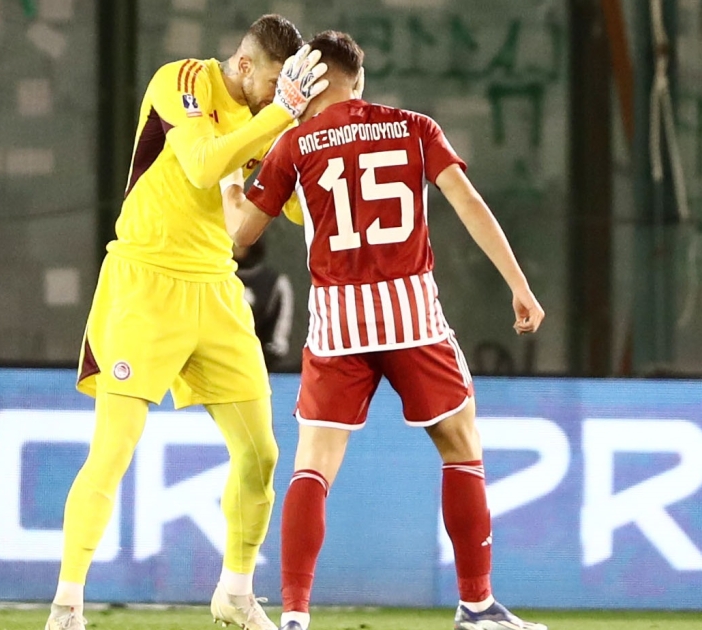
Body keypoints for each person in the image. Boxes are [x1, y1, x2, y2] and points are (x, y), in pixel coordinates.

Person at [220, 31, 548, 630]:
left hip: (338, 324)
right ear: (359, 81)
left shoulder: (294, 143)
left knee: (313, 467)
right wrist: (519, 284)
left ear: (310, 84)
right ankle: (477, 605)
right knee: (461, 447)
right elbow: (468, 203)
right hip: (411, 317)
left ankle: (294, 615)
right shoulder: (415, 128)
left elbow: (241, 236)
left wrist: (230, 183)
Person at [45, 15, 329, 630]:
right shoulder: (183, 81)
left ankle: (234, 593)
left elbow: (297, 209)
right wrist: (280, 116)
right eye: (276, 84)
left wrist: (313, 135)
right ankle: (67, 606)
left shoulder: (269, 117)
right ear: (245, 66)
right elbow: (203, 165)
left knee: (261, 456)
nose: (281, 95)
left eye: (288, 89)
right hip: (144, 285)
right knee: (113, 451)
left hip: (216, 290)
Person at [233, 237, 295, 369]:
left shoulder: (274, 283)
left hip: (258, 367)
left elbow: (278, 342)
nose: (233, 244)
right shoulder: (211, 280)